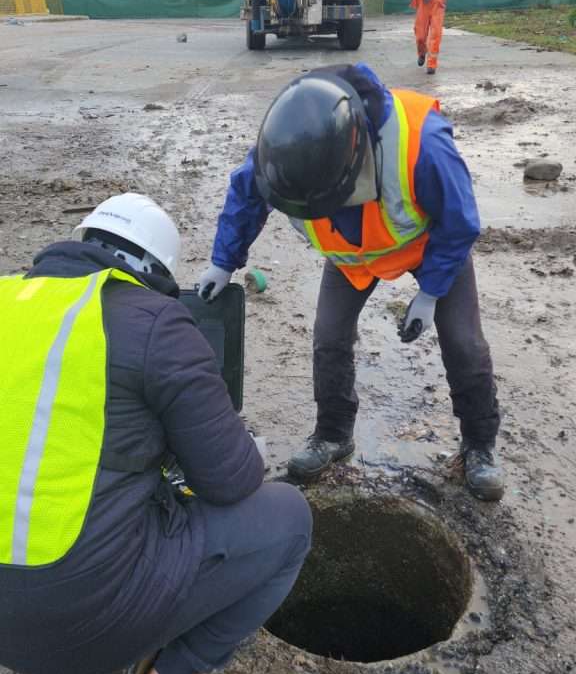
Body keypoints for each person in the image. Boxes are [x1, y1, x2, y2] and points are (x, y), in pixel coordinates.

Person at [0, 193, 311, 674]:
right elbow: (231, 480)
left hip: (6, 633)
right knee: (290, 522)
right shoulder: (151, 320)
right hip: (86, 608)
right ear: (154, 273)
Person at [198, 64, 504, 502]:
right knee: (329, 337)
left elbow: (460, 222)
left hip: (429, 248)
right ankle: (333, 434)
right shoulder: (286, 145)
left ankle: (479, 444)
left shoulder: (424, 143)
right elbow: (247, 193)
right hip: (352, 258)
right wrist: (223, 262)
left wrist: (431, 292)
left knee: (464, 342)